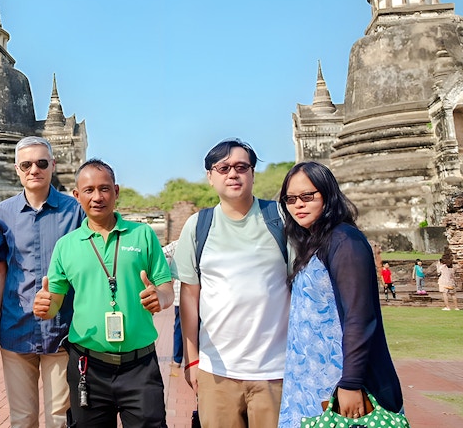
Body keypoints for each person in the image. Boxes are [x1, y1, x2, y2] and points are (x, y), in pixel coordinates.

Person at [33, 159, 174, 427]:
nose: (97, 197)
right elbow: (55, 302)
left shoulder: (142, 235)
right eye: (89, 190)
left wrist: (161, 298)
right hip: (88, 367)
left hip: (140, 366)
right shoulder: (66, 246)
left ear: (116, 191)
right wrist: (45, 306)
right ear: (77, 196)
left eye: (105, 188)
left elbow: (165, 286)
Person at [172, 138, 291, 428]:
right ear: (210, 177)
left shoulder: (281, 219)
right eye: (223, 168)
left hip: (275, 369)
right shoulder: (199, 226)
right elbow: (189, 298)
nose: (233, 174)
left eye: (241, 166)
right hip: (217, 371)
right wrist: (192, 361)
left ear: (252, 173)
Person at [278, 161, 403, 428]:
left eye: (307, 196)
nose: (298, 204)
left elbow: (360, 315)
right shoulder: (314, 241)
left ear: (327, 194)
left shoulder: (344, 241)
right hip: (309, 378)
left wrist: (350, 382)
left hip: (337, 380)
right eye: (290, 199)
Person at [0, 136, 85, 428]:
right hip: (15, 327)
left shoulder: (75, 212)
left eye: (41, 163)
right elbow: (1, 272)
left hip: (60, 330)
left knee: (59, 419)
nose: (34, 169)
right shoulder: (3, 214)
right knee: (22, 420)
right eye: (26, 164)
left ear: (53, 165)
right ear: (17, 169)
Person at [163, 240, 183, 369]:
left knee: (179, 328)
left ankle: (177, 359)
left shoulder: (178, 244)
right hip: (201, 294)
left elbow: (161, 253)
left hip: (181, 294)